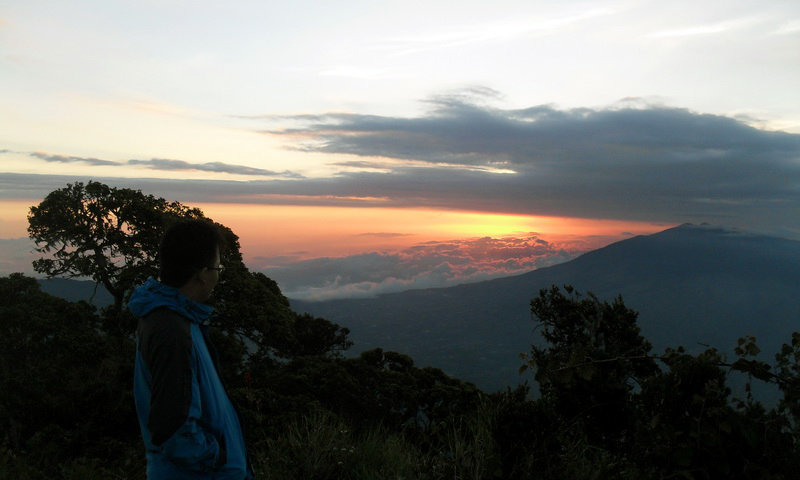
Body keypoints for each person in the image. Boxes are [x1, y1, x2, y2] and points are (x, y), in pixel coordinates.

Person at [129, 219, 254, 479]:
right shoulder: (172, 331)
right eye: (217, 266)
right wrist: (218, 459)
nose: (218, 275)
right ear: (201, 272)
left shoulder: (178, 319)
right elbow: (175, 430)